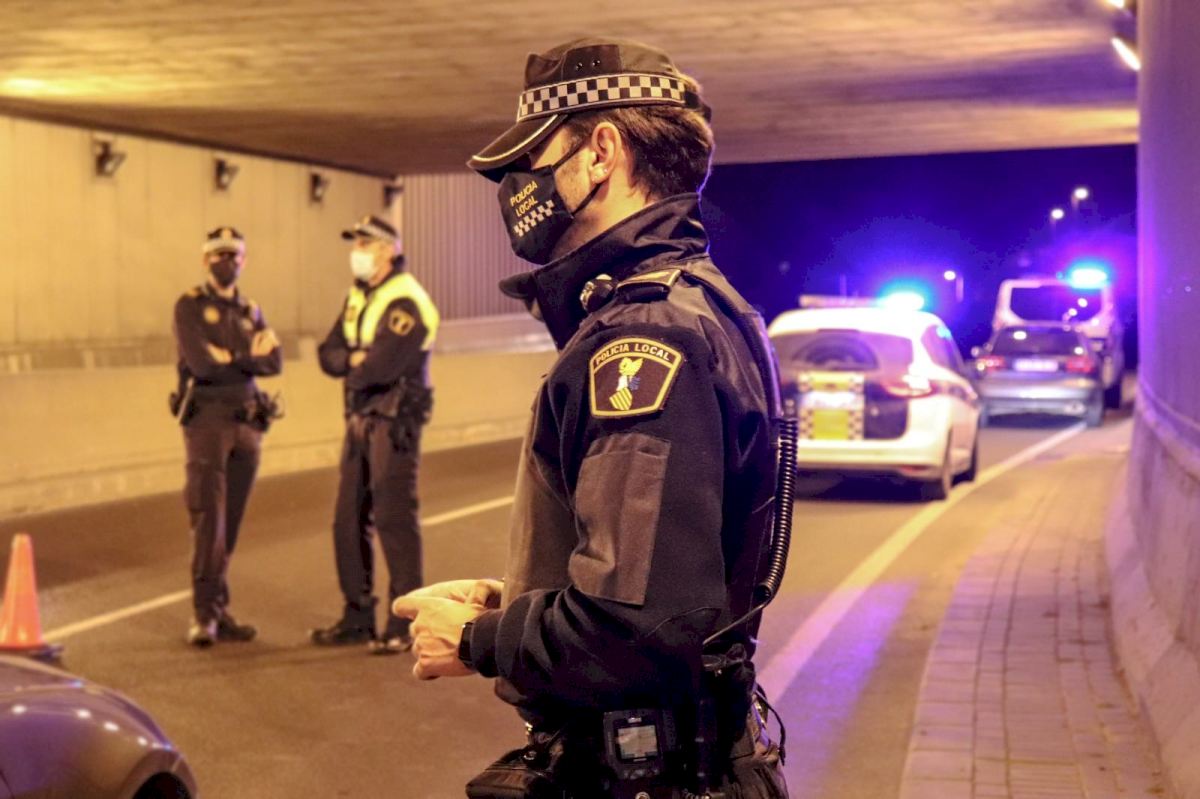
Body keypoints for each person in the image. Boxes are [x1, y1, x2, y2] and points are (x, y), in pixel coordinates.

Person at [392, 38, 789, 798]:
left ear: (601, 153)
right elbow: (665, 571)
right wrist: (520, 596)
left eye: (534, 158)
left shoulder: (644, 338)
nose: (517, 185)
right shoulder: (694, 302)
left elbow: (637, 625)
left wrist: (477, 640)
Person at [311, 215, 439, 655]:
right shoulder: (359, 297)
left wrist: (354, 362)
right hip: (361, 419)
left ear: (388, 250)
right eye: (356, 243)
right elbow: (326, 353)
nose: (357, 252)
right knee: (347, 520)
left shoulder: (407, 300)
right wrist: (354, 359)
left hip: (394, 421)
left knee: (393, 518)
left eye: (365, 243)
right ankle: (357, 616)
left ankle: (404, 622)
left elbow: (378, 368)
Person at [172, 226, 281, 647]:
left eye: (234, 255)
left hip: (247, 425)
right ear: (205, 260)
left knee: (229, 523)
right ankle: (204, 616)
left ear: (244, 261)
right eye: (219, 254)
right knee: (208, 520)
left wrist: (231, 358)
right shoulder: (190, 306)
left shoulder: (250, 310)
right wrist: (249, 357)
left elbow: (274, 362)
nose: (227, 261)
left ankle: (218, 609)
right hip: (208, 424)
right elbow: (202, 366)